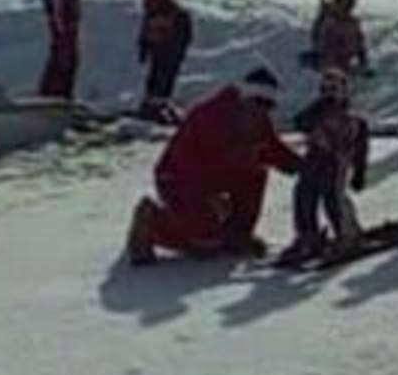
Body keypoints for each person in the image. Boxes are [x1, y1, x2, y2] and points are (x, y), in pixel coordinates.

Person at [125, 66, 302, 265]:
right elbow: (188, 166)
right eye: (259, 102)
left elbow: (272, 149)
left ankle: (238, 232)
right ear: (244, 98)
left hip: (217, 179)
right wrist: (211, 203)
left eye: (268, 105)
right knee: (205, 244)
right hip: (179, 178)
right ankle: (152, 221)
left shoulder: (258, 120)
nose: (263, 110)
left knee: (256, 171)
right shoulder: (210, 116)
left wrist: (302, 165)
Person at [279, 67, 369, 262]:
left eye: (334, 89)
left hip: (336, 161)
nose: (329, 94)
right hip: (315, 159)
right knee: (304, 193)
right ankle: (308, 235)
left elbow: (360, 144)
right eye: (325, 89)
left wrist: (359, 172)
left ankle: (348, 234)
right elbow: (300, 122)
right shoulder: (318, 110)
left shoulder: (352, 116)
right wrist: (318, 109)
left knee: (334, 197)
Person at [137, 0, 193, 124]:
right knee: (155, 79)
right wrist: (144, 47)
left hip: (169, 53)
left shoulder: (176, 14)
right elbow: (146, 31)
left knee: (164, 79)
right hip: (158, 52)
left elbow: (184, 36)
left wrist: (176, 51)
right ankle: (152, 106)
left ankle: (158, 106)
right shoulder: (153, 12)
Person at [39, 0, 90, 99]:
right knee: (60, 65)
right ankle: (50, 96)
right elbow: (57, 14)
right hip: (63, 35)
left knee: (70, 66)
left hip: (70, 34)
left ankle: (64, 96)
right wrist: (63, 31)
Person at [307, 0, 369, 76]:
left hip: (346, 67)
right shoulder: (328, 20)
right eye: (344, 1)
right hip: (328, 66)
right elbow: (320, 42)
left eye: (350, 2)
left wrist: (362, 59)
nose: (346, 6)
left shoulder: (353, 23)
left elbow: (359, 44)